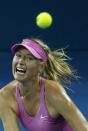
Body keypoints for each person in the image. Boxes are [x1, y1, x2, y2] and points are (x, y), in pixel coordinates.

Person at [0, 38, 88, 131]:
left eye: (29, 58)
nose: (21, 61)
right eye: (18, 55)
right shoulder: (5, 95)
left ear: (41, 67)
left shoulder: (53, 92)